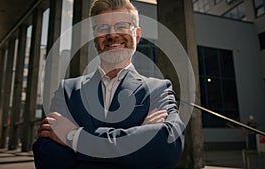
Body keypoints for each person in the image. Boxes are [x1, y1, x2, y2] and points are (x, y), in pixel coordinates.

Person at [33, 0, 185, 168]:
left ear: (137, 34)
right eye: (103, 28)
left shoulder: (158, 89)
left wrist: (74, 137)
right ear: (95, 38)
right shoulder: (67, 91)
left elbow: (168, 147)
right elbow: (47, 157)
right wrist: (138, 140)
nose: (112, 35)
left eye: (122, 26)